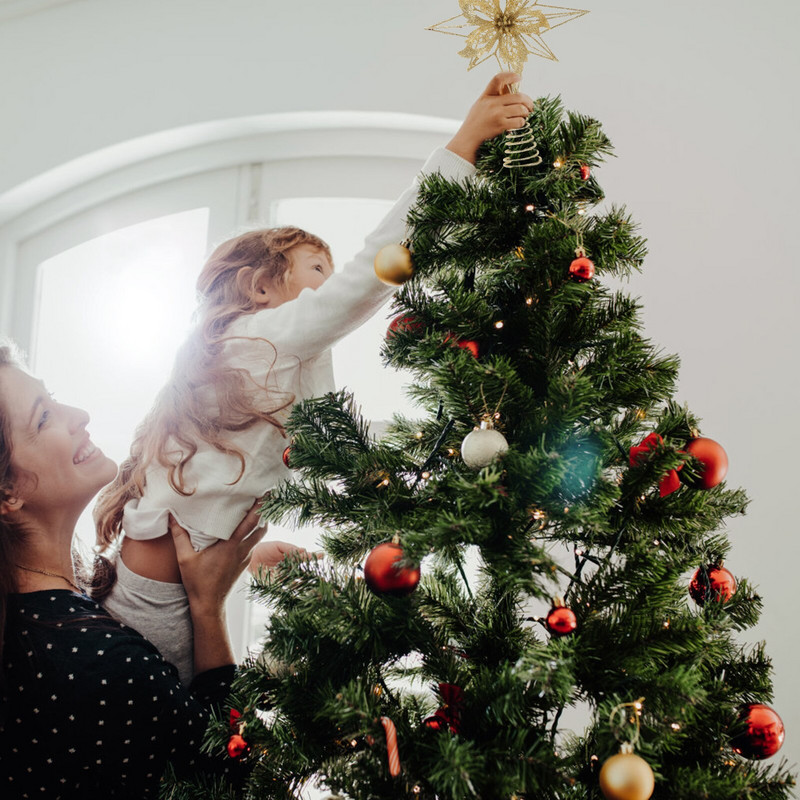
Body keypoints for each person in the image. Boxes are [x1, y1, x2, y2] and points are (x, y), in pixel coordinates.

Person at [93, 72, 535, 684]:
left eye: (328, 269)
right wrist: (461, 149)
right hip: (147, 610)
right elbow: (370, 274)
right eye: (316, 267)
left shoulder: (272, 370)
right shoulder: (252, 336)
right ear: (260, 285)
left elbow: (337, 443)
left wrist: (468, 439)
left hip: (166, 608)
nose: (329, 283)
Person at [0, 341, 272, 796]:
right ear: (8, 493)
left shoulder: (36, 623)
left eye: (53, 396)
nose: (78, 414)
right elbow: (236, 777)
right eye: (43, 417)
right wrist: (209, 609)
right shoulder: (102, 664)